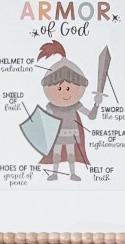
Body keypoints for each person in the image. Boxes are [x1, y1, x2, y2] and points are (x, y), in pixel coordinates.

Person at [29, 40, 103, 181]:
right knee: (56, 153)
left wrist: (97, 104)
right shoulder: (52, 106)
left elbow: (91, 116)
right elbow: (45, 122)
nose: (64, 92)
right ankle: (55, 173)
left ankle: (72, 174)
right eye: (59, 88)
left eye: (68, 88)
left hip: (71, 132)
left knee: (71, 154)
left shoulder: (75, 105)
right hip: (57, 133)